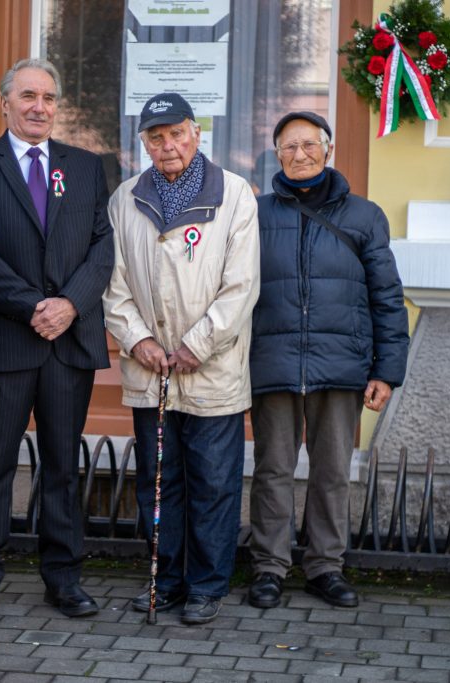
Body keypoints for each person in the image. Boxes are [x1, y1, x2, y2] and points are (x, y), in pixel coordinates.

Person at [0, 58, 113, 621]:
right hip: (8, 342)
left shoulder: (88, 167)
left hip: (69, 343)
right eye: (28, 96)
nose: (39, 106)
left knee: (63, 465)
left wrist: (69, 304)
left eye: (48, 97)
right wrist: (32, 306)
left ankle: (64, 578)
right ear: (5, 103)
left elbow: (102, 247)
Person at [103, 92, 260, 625]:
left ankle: (206, 586)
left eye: (176, 133)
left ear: (196, 134)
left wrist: (198, 342)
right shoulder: (125, 197)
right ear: (144, 143)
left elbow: (242, 286)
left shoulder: (235, 194)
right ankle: (165, 581)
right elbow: (114, 284)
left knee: (214, 484)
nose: (167, 145)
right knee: (159, 481)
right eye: (155, 137)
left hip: (212, 369)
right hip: (152, 372)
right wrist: (137, 339)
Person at [247, 111, 409, 610]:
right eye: (288, 147)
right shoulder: (254, 213)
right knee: (272, 467)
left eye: (308, 145)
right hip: (272, 360)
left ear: (328, 150)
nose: (299, 155)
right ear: (277, 155)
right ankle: (270, 567)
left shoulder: (364, 216)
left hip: (340, 363)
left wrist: (386, 369)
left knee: (332, 470)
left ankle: (324, 566)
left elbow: (386, 295)